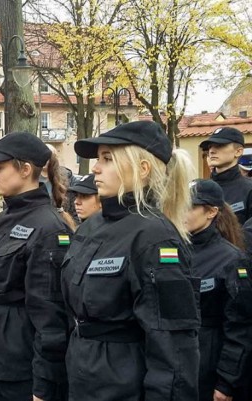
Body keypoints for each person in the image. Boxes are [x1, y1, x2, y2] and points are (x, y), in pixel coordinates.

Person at [62, 121, 201, 400]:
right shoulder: (93, 225)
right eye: (98, 158)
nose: (95, 168)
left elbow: (173, 347)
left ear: (142, 168)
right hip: (84, 375)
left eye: (107, 158)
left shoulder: (155, 237)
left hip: (124, 384)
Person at [0, 132, 73, 401]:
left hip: (22, 365)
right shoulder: (2, 219)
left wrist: (43, 385)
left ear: (25, 169)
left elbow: (51, 316)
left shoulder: (49, 227)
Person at [185, 179, 252, 401]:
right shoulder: (172, 250)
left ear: (211, 212)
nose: (182, 211)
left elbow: (240, 327)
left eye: (190, 206)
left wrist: (226, 382)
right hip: (179, 365)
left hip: (209, 368)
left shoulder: (232, 259)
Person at [200, 127, 252, 225]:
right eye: (210, 147)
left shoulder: (249, 189)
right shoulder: (200, 189)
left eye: (219, 146)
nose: (211, 151)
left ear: (238, 151)